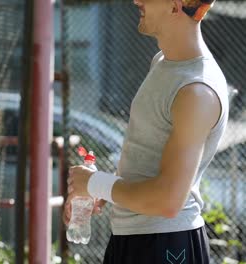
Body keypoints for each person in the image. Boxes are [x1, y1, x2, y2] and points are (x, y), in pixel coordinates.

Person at [65, 0, 227, 263]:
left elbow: (168, 200)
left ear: (175, 6)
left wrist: (95, 183)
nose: (136, 1)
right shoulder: (163, 62)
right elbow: (148, 161)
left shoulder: (196, 91)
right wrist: (101, 191)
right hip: (135, 239)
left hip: (166, 244)